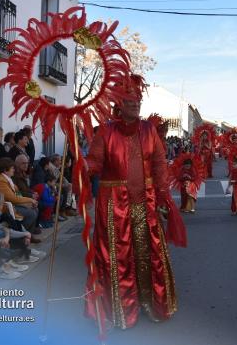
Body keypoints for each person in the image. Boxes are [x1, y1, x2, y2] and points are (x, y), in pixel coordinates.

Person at [84, 78, 187, 330]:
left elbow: (160, 164)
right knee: (118, 257)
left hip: (145, 202)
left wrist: (163, 195)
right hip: (114, 207)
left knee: (148, 254)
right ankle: (122, 310)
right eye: (131, 101)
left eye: (138, 101)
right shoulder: (105, 132)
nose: (136, 105)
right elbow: (94, 164)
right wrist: (80, 165)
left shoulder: (148, 130)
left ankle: (150, 303)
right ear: (120, 103)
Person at [0, 157, 40, 242]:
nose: (14, 170)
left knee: (35, 209)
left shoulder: (7, 179)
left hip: (11, 205)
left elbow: (17, 193)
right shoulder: (0, 181)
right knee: (31, 213)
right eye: (12, 168)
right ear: (5, 170)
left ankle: (28, 235)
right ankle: (21, 235)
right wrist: (30, 200)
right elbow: (13, 198)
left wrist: (26, 202)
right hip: (3, 208)